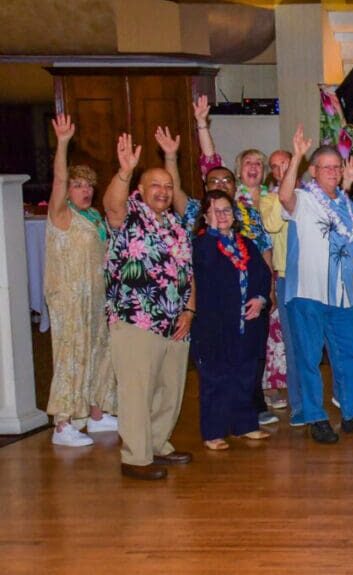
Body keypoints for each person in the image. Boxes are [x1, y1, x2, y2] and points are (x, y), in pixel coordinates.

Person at [276, 127, 353, 443]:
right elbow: (283, 197)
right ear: (313, 171)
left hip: (343, 295)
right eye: (327, 167)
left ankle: (352, 412)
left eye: (337, 167)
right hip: (308, 293)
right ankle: (315, 417)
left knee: (351, 355)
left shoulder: (347, 205)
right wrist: (296, 155)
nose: (334, 173)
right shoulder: (304, 199)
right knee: (309, 358)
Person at [104, 130, 194, 480]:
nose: (163, 192)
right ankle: (136, 458)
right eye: (155, 185)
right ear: (140, 190)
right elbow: (112, 205)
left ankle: (158, 444)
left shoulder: (176, 226)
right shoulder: (129, 218)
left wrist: (190, 310)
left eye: (168, 187)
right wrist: (125, 170)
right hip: (136, 319)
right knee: (138, 391)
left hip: (176, 321)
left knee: (169, 390)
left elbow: (188, 272)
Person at [194, 96, 288, 416]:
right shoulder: (220, 204)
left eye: (258, 164)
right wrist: (202, 124)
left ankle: (260, 393)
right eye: (247, 163)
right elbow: (210, 164)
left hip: (259, 279)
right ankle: (231, 404)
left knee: (263, 340)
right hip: (222, 286)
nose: (253, 168)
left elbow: (264, 246)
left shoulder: (262, 203)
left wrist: (269, 286)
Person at [42, 114, 118, 447]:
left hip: (97, 295)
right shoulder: (61, 214)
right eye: (78, 185)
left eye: (89, 185)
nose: (84, 190)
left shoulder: (95, 216)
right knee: (71, 353)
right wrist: (62, 143)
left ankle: (96, 414)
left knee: (100, 350)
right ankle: (63, 423)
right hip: (69, 296)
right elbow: (58, 180)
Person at [190, 190, 274, 451]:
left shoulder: (246, 244)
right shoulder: (201, 244)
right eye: (215, 211)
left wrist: (260, 299)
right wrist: (213, 232)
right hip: (214, 325)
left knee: (245, 376)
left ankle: (245, 425)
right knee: (216, 378)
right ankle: (213, 431)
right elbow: (203, 264)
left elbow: (262, 274)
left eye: (226, 210)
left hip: (246, 324)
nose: (222, 215)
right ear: (205, 216)